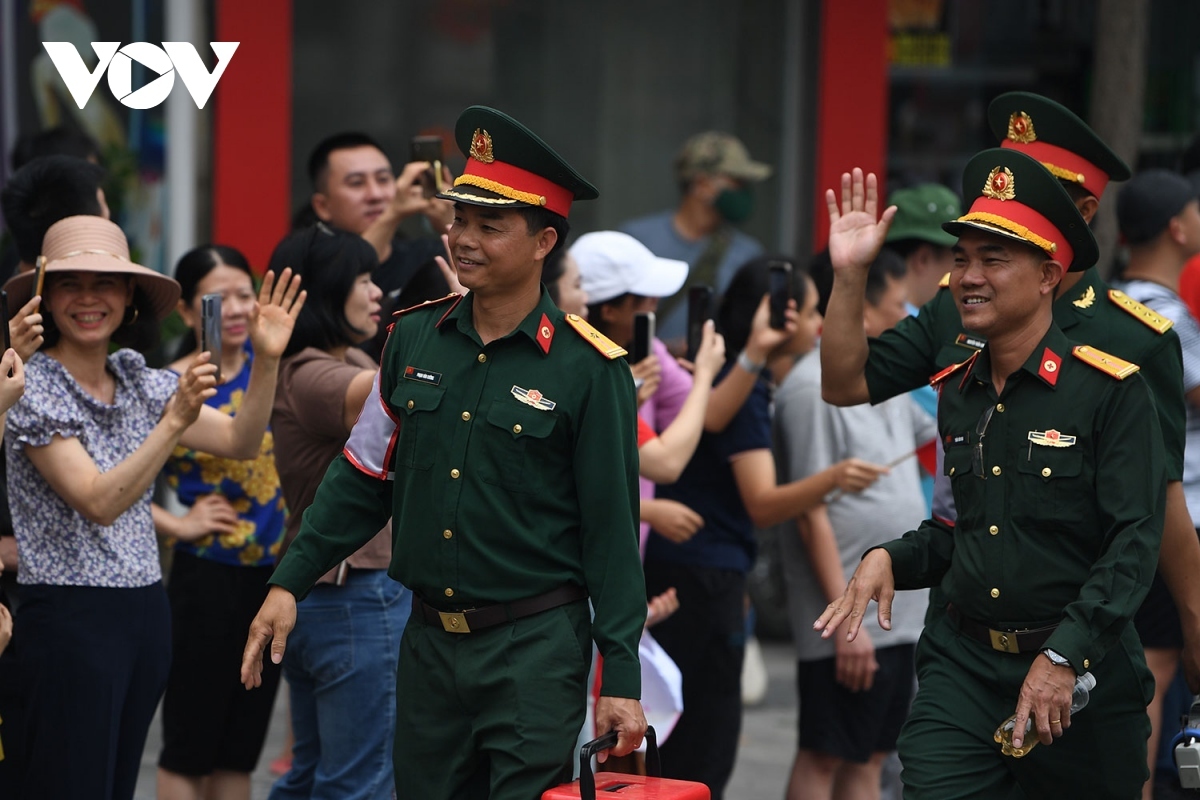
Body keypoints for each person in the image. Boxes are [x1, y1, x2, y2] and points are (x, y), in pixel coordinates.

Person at [242, 105, 648, 800]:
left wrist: (621, 680)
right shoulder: (411, 340)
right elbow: (363, 477)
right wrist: (290, 582)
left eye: (490, 226)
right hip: (427, 646)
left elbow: (611, 532)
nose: (463, 239)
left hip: (535, 649)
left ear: (545, 240)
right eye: (460, 219)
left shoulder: (590, 369)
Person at [817, 93, 1200, 702]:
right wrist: (849, 277)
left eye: (1038, 192)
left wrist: (1194, 616)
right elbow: (844, 382)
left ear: (1083, 211)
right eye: (1004, 192)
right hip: (964, 628)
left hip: (1081, 641)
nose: (1013, 205)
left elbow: (1160, 498)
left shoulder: (1132, 338)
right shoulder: (957, 302)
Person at [3, 215, 303, 800]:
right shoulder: (31, 384)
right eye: (70, 284)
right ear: (44, 297)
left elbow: (241, 441)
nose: (89, 299)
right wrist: (172, 424)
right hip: (68, 617)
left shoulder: (135, 375)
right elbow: (99, 501)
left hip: (144, 611)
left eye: (106, 283)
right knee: (70, 782)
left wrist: (266, 360)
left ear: (130, 298)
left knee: (116, 784)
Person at [643, 256, 887, 799]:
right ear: (778, 313)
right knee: (702, 749)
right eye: (812, 309)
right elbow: (761, 503)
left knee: (679, 741)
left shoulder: (725, 376)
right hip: (700, 580)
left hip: (694, 572)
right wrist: (833, 478)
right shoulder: (741, 382)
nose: (822, 321)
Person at [776, 249, 933, 800]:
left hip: (894, 614)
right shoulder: (808, 386)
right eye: (898, 304)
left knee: (868, 756)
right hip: (847, 619)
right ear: (860, 308)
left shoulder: (881, 376)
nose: (909, 316)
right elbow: (808, 511)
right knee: (824, 755)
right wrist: (849, 626)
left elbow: (931, 426)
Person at [265, 223, 409, 800]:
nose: (378, 292)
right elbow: (396, 396)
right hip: (356, 599)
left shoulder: (337, 355)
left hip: (326, 597)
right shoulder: (316, 374)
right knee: (360, 784)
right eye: (363, 280)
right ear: (327, 291)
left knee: (312, 776)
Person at [153, 245, 288, 800]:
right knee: (189, 746)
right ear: (187, 312)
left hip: (272, 580)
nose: (235, 308)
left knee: (241, 747)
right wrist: (177, 524)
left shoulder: (273, 365)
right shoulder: (170, 384)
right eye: (217, 296)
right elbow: (117, 479)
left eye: (243, 292)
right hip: (204, 576)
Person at [1110, 169, 1200, 797]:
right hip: (1177, 518)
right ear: (1176, 226)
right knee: (1157, 670)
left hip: (1143, 513)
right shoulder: (1159, 315)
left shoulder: (1113, 303)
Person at [306, 131, 453, 356]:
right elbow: (337, 280)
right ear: (322, 206)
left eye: (384, 179)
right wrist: (392, 213)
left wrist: (454, 222)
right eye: (356, 183)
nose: (375, 194)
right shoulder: (309, 262)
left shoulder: (429, 256)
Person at [620, 132, 771, 344]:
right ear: (702, 185)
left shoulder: (747, 254)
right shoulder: (636, 240)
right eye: (737, 182)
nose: (744, 193)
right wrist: (669, 353)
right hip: (643, 373)